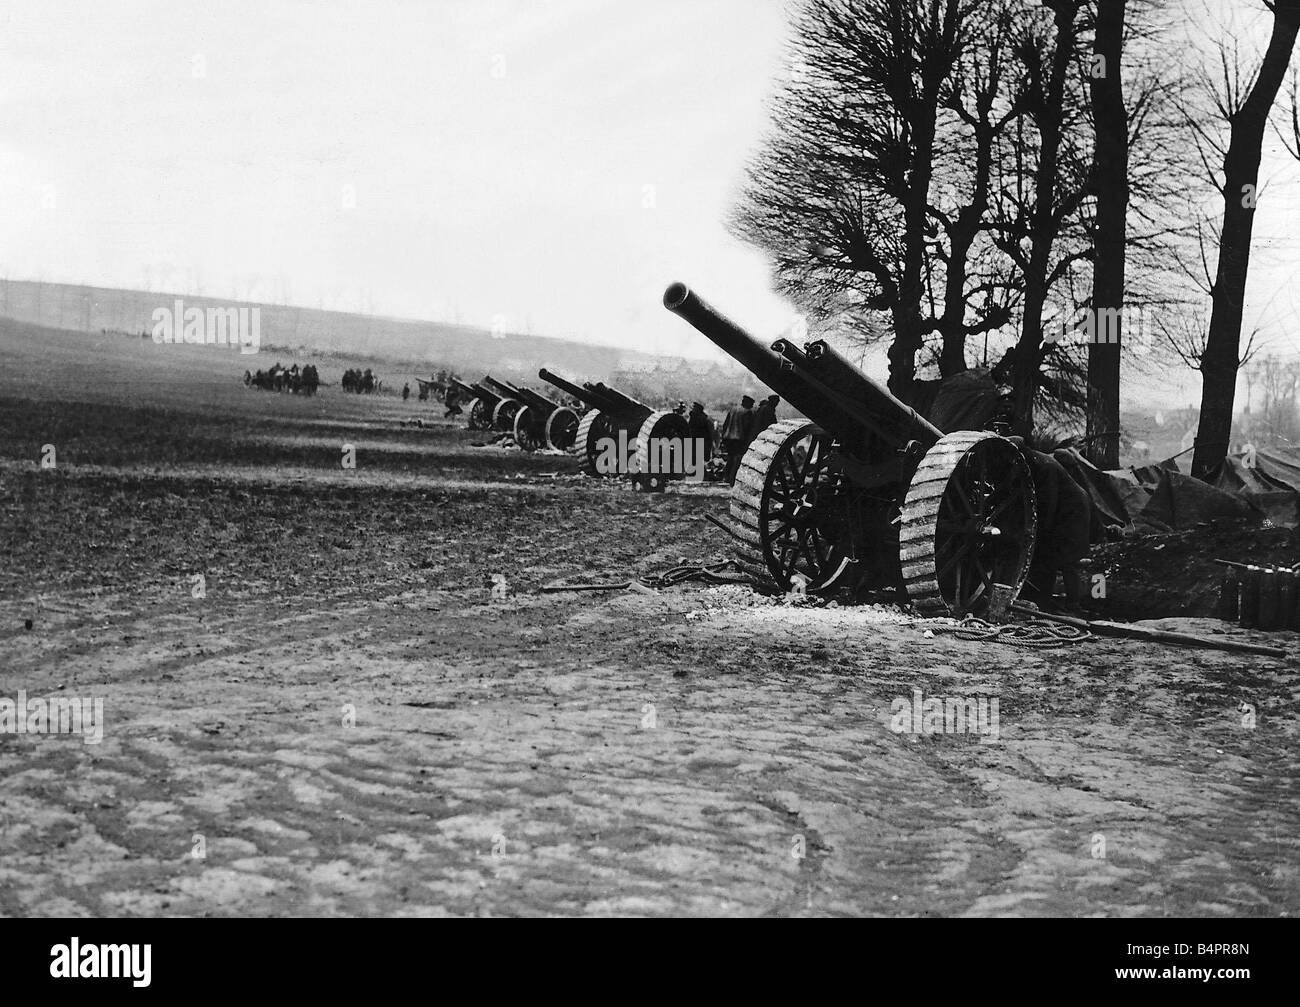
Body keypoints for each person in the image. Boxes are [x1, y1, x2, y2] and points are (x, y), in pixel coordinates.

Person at [1007, 437, 1092, 611]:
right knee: (1049, 555)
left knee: (1065, 558)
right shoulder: (1031, 462)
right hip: (1063, 509)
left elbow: (1049, 503)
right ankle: (1042, 597)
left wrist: (1038, 532)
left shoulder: (1044, 466)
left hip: (1072, 511)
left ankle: (1072, 605)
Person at [720, 395, 755, 484]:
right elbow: (747, 428)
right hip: (739, 439)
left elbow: (725, 424)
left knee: (730, 458)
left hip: (729, 438)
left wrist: (723, 437)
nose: (752, 405)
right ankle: (733, 479)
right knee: (737, 459)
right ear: (747, 403)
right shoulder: (747, 412)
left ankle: (726, 477)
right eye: (751, 403)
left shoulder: (733, 410)